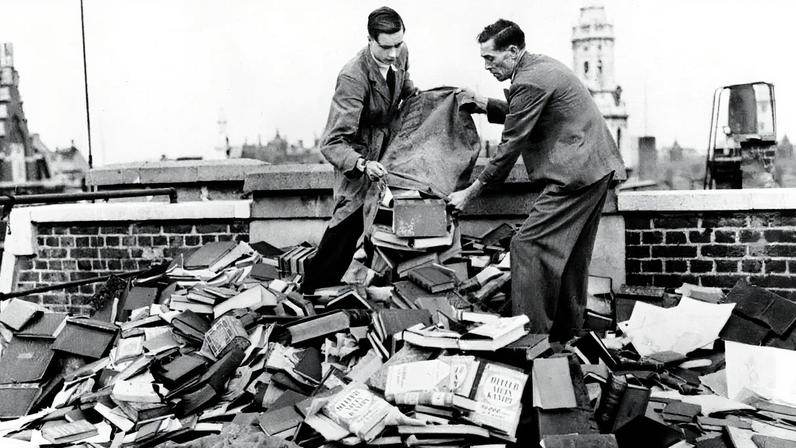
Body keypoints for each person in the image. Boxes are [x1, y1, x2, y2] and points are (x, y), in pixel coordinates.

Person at [448, 19, 626, 342]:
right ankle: (567, 338)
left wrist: (469, 193)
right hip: (595, 168)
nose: (486, 66)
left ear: (512, 51)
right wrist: (485, 104)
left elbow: (508, 149)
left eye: (490, 58)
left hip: (575, 175)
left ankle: (531, 342)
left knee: (526, 246)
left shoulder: (529, 81)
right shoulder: (537, 68)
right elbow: (528, 109)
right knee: (571, 258)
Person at [301, 6, 418, 294]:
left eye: (398, 44)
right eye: (386, 46)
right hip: (357, 166)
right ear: (369, 39)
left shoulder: (401, 54)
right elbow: (331, 143)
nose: (393, 54)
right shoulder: (353, 76)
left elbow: (405, 90)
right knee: (344, 233)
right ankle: (309, 297)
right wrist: (363, 165)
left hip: (387, 157)